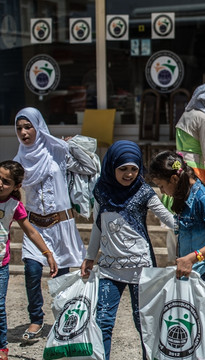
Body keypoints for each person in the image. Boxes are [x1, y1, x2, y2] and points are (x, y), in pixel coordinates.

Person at [80, 141, 175, 360]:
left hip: (141, 270)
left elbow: (168, 219)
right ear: (112, 166)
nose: (129, 174)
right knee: (102, 320)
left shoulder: (143, 191)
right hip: (109, 269)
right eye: (123, 168)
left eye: (134, 169)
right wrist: (89, 256)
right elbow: (97, 225)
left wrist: (189, 220)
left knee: (144, 323)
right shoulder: (102, 191)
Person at [13, 107, 86, 343]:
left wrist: (71, 146)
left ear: (38, 126)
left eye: (28, 126)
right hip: (35, 226)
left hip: (60, 224)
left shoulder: (57, 151)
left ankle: (64, 318)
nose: (23, 132)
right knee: (32, 271)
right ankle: (36, 319)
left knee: (62, 276)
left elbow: (89, 167)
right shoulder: (19, 160)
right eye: (19, 128)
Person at [149, 151, 205, 360]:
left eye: (161, 186)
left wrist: (192, 257)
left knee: (199, 328)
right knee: (195, 330)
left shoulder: (203, 198)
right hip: (193, 270)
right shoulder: (183, 195)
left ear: (174, 178)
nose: (162, 192)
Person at [0, 160, 58, 360]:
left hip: (1, 264)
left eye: (5, 181)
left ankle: (2, 348)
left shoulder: (15, 206)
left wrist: (47, 254)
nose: (0, 183)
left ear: (16, 186)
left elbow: (32, 232)